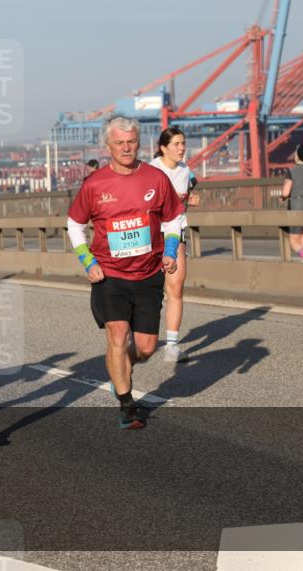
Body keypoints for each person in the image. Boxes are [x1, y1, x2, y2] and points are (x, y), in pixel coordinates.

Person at [66, 115, 185, 430]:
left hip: (148, 274)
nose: (126, 148)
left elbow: (174, 218)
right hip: (109, 275)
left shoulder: (156, 179)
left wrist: (170, 251)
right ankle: (126, 403)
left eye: (131, 142)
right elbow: (75, 225)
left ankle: (119, 366)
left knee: (146, 347)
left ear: (139, 143)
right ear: (108, 146)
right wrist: (87, 261)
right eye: (119, 143)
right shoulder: (94, 184)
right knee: (117, 334)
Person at [149, 127, 201, 362]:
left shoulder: (185, 170)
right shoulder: (150, 170)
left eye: (183, 143)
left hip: (175, 232)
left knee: (176, 288)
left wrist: (189, 199)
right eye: (177, 144)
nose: (182, 148)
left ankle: (171, 346)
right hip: (150, 235)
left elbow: (182, 203)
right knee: (147, 290)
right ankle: (136, 336)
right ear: (163, 147)